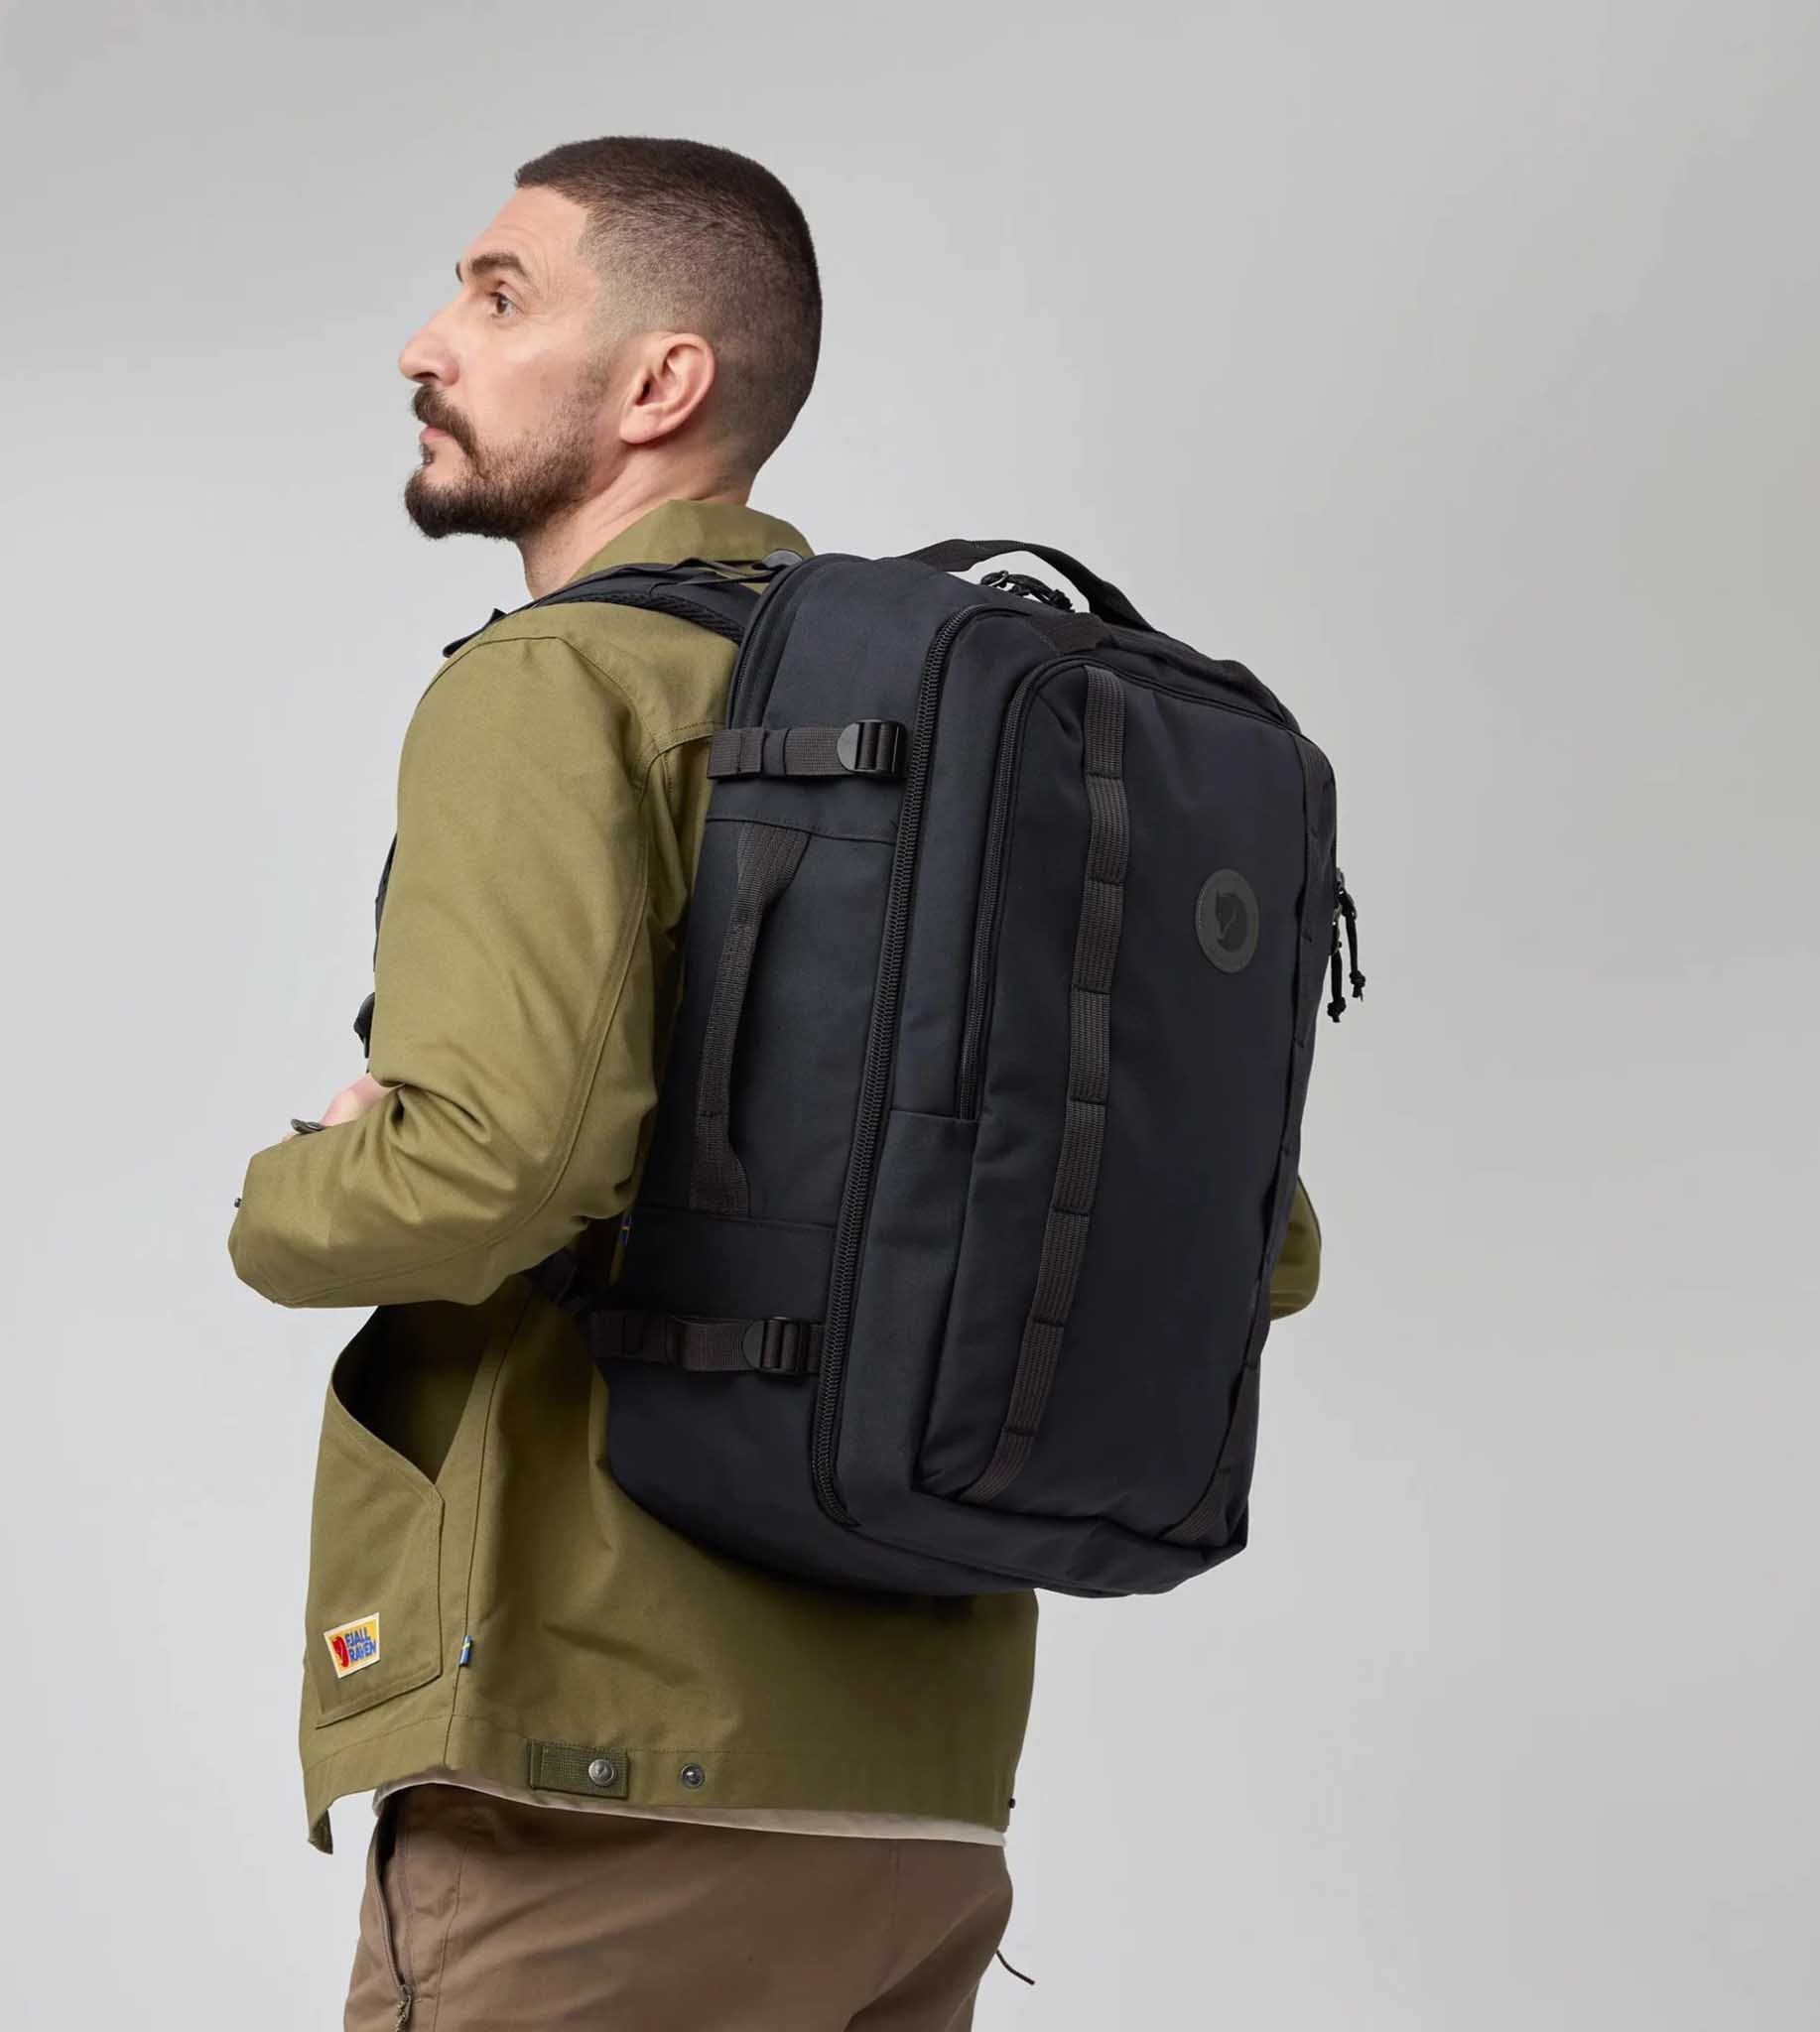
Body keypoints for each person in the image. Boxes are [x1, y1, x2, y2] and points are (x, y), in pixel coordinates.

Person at [228, 135, 1323, 2032]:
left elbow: (495, 1172)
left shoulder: (551, 687)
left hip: (596, 1773)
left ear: (662, 383)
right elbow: (1252, 1247)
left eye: (499, 294)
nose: (427, 340)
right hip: (918, 1811)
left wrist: (283, 1197)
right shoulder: (965, 736)